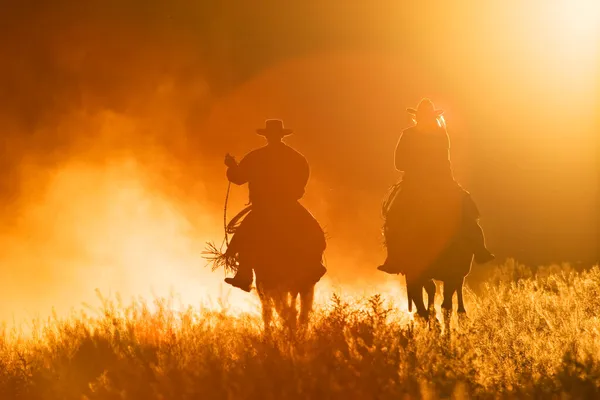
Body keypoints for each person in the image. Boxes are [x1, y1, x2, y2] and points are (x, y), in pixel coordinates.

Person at [378, 98, 494, 274]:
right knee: (395, 216)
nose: (425, 119)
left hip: (427, 182)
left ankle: (479, 249)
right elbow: (401, 162)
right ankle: (479, 249)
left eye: (427, 116)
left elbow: (400, 162)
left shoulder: (429, 134)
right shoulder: (426, 134)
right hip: (431, 182)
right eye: (423, 116)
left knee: (466, 208)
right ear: (419, 117)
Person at [223, 119, 326, 292]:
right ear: (281, 135)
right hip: (289, 207)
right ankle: (315, 265)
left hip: (262, 209)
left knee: (243, 239)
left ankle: (244, 275)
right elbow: (303, 176)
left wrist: (231, 167)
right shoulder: (296, 157)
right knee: (315, 234)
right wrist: (297, 190)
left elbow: (238, 178)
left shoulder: (255, 156)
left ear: (267, 136)